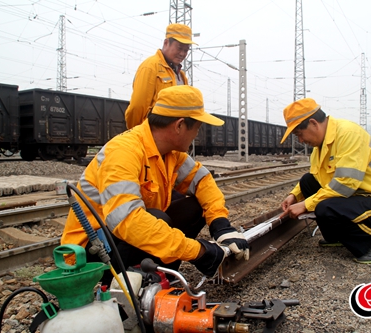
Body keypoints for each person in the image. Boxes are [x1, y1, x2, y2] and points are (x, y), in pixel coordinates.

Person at [62, 85, 249, 281]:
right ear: (179, 126)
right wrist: (198, 252)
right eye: (197, 128)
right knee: (157, 217)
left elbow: (202, 181)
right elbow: (128, 222)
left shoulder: (171, 154)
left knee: (194, 207)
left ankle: (159, 277)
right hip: (91, 254)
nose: (197, 135)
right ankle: (127, 284)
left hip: (122, 240)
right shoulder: (124, 152)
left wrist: (220, 224)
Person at [279, 98, 371, 264]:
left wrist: (305, 204)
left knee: (325, 207)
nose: (301, 141)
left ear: (313, 123)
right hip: (357, 197)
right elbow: (316, 175)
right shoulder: (320, 148)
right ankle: (337, 236)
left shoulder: (348, 134)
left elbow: (345, 184)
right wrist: (295, 195)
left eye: (299, 134)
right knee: (307, 182)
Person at [124, 23, 195, 130]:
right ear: (166, 43)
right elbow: (137, 107)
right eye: (179, 48)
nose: (182, 53)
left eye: (186, 50)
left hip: (172, 139)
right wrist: (137, 135)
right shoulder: (150, 67)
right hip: (152, 137)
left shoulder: (181, 76)